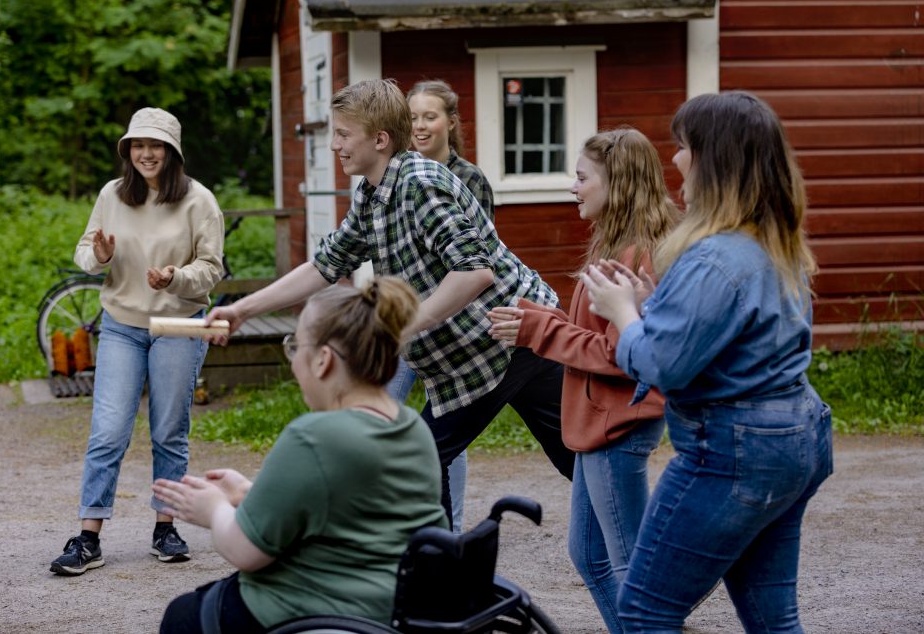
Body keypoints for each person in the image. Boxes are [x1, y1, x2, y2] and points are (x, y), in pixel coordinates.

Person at [209, 79, 574, 521]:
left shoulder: (420, 183)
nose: (335, 146)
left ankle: (435, 564)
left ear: (379, 140)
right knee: (576, 456)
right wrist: (242, 310)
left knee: (425, 456)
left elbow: (475, 271)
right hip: (480, 351)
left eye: (343, 135)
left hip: (505, 341)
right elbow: (325, 265)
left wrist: (403, 324)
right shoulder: (371, 193)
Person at [582, 91, 834, 632]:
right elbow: (735, 339)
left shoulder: (714, 255)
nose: (674, 159)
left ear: (712, 160)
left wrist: (623, 313)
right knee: (773, 618)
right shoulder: (773, 245)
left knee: (645, 609)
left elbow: (663, 367)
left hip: (735, 450)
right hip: (798, 438)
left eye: (683, 146)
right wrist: (654, 308)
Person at [154, 277, 447, 632]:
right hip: (395, 609)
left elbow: (246, 552)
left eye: (296, 347)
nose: (294, 362)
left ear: (323, 360)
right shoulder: (411, 427)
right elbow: (355, 513)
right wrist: (250, 493)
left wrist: (213, 509)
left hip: (323, 611)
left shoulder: (313, 437)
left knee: (182, 616)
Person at [488, 128, 679, 632]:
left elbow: (623, 357)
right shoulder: (617, 246)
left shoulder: (636, 257)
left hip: (616, 424)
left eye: (581, 177)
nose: (573, 187)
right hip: (598, 421)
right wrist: (536, 319)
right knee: (590, 554)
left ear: (615, 183)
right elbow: (595, 335)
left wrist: (539, 331)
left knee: (628, 567)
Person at [49, 107, 224, 576]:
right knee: (108, 430)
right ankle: (88, 538)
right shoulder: (112, 194)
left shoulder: (199, 200)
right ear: (128, 151)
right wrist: (99, 255)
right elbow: (86, 251)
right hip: (123, 327)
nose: (147, 153)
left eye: (156, 145)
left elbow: (211, 268)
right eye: (138, 145)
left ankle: (165, 528)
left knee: (169, 429)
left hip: (179, 325)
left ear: (172, 151)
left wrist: (175, 277)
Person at [389, 79, 495, 532]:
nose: (420, 125)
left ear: (451, 122)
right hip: (402, 321)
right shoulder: (392, 176)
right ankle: (390, 518)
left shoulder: (469, 180)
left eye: (429, 116)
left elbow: (484, 260)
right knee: (380, 409)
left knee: (448, 426)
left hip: (449, 324)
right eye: (412, 117)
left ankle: (448, 526)